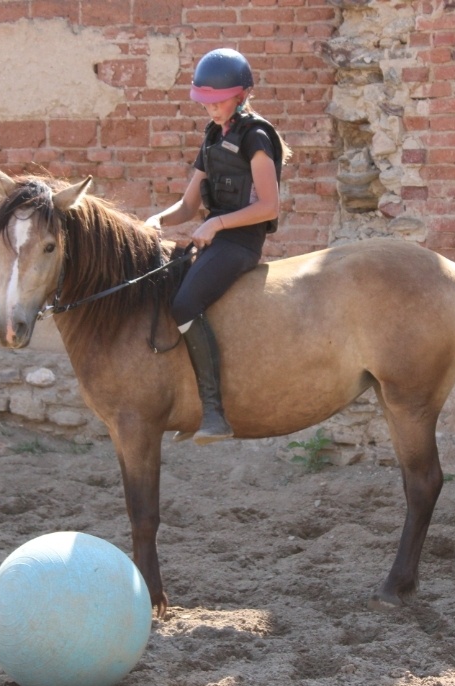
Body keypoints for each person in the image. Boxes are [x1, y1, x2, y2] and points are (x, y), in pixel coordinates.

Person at [146, 48, 292, 445]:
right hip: (216, 236)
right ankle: (188, 405)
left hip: (240, 242)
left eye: (218, 101)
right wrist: (157, 220)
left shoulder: (257, 136)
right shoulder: (212, 136)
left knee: (184, 305)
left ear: (241, 95)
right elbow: (189, 204)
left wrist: (218, 222)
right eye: (205, 102)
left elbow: (268, 205)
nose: (211, 109)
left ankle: (214, 411)